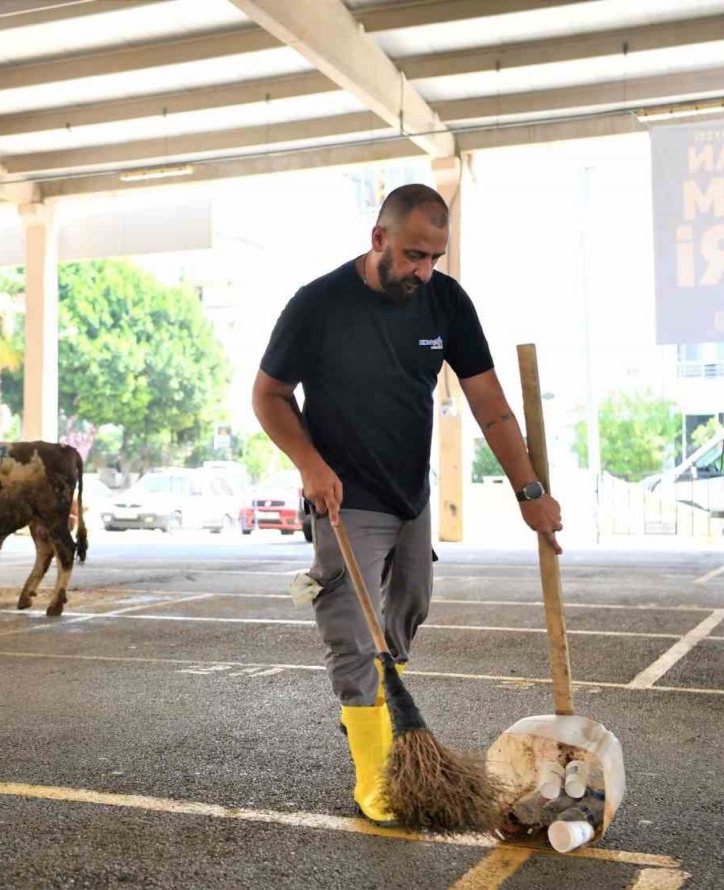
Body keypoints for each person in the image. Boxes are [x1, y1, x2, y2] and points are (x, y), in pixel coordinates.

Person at [252, 183, 562, 825]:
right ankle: (375, 778)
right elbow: (268, 395)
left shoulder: (445, 301)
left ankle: (374, 695)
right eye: (415, 256)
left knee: (410, 606)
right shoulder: (318, 304)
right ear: (379, 239)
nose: (424, 271)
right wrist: (310, 464)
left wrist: (529, 491)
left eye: (434, 258)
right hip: (346, 497)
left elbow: (491, 406)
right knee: (351, 633)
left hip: (411, 496)